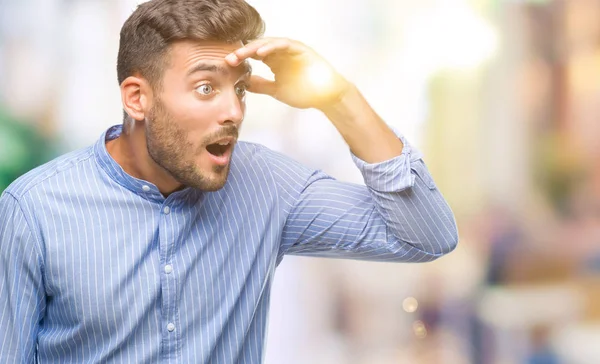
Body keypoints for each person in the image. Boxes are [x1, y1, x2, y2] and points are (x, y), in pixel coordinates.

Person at [0, 0, 458, 362]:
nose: (234, 111)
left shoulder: (265, 185)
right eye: (206, 88)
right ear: (137, 98)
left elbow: (425, 236)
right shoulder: (35, 210)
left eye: (238, 89)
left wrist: (337, 98)